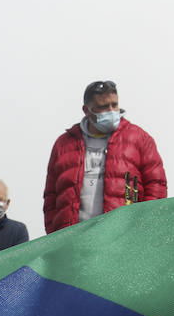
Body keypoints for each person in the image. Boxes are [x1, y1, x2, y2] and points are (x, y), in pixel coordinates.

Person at [43, 80, 167, 233]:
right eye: (103, 107)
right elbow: (50, 197)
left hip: (121, 237)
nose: (111, 111)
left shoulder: (139, 139)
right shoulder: (64, 144)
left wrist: (142, 227)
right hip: (73, 241)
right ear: (86, 110)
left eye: (114, 105)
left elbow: (156, 187)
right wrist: (54, 236)